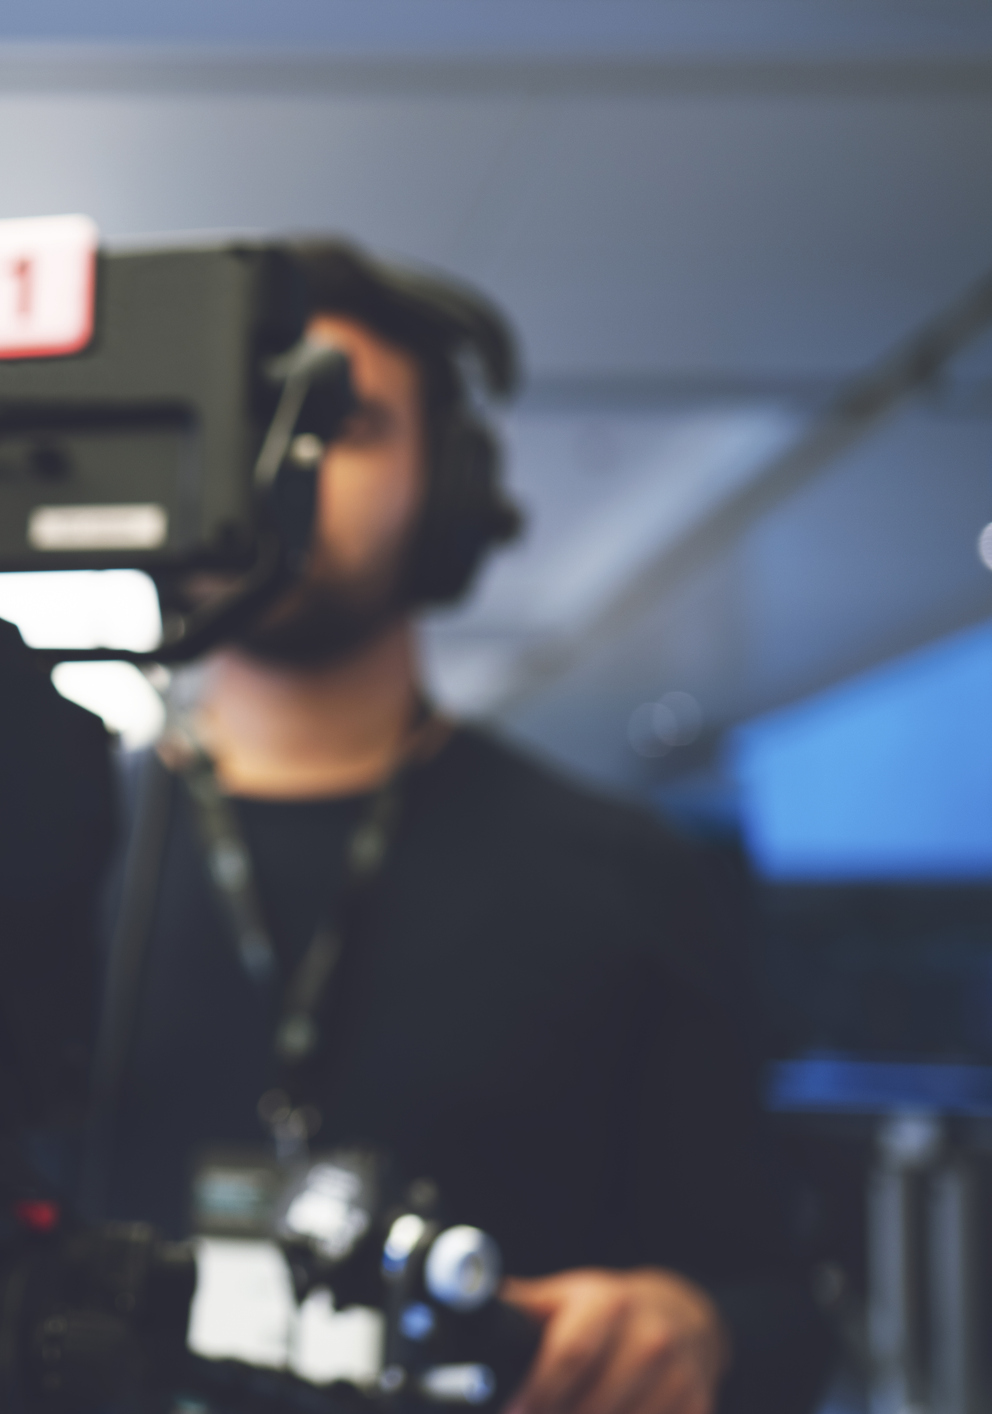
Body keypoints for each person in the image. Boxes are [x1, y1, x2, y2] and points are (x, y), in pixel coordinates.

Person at [95, 240, 832, 1414]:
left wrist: (688, 1328)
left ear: (444, 489)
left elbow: (776, 1307)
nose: (278, 458)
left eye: (337, 419)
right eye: (242, 414)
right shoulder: (33, 857)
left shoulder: (620, 874)